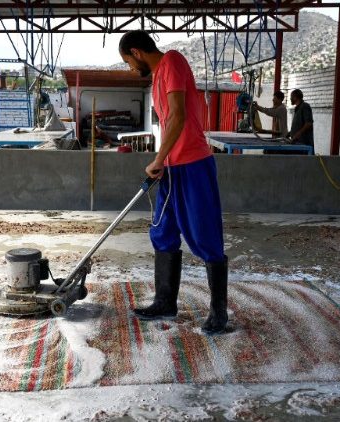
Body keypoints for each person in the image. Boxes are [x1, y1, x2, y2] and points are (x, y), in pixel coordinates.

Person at [119, 30, 228, 335]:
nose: (130, 68)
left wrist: (158, 158)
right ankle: (165, 301)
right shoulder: (157, 77)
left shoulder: (173, 62)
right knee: (163, 231)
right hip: (171, 167)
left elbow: (179, 117)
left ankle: (219, 313)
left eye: (128, 62)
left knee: (205, 235)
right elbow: (168, 124)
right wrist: (162, 160)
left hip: (193, 164)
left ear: (137, 52)